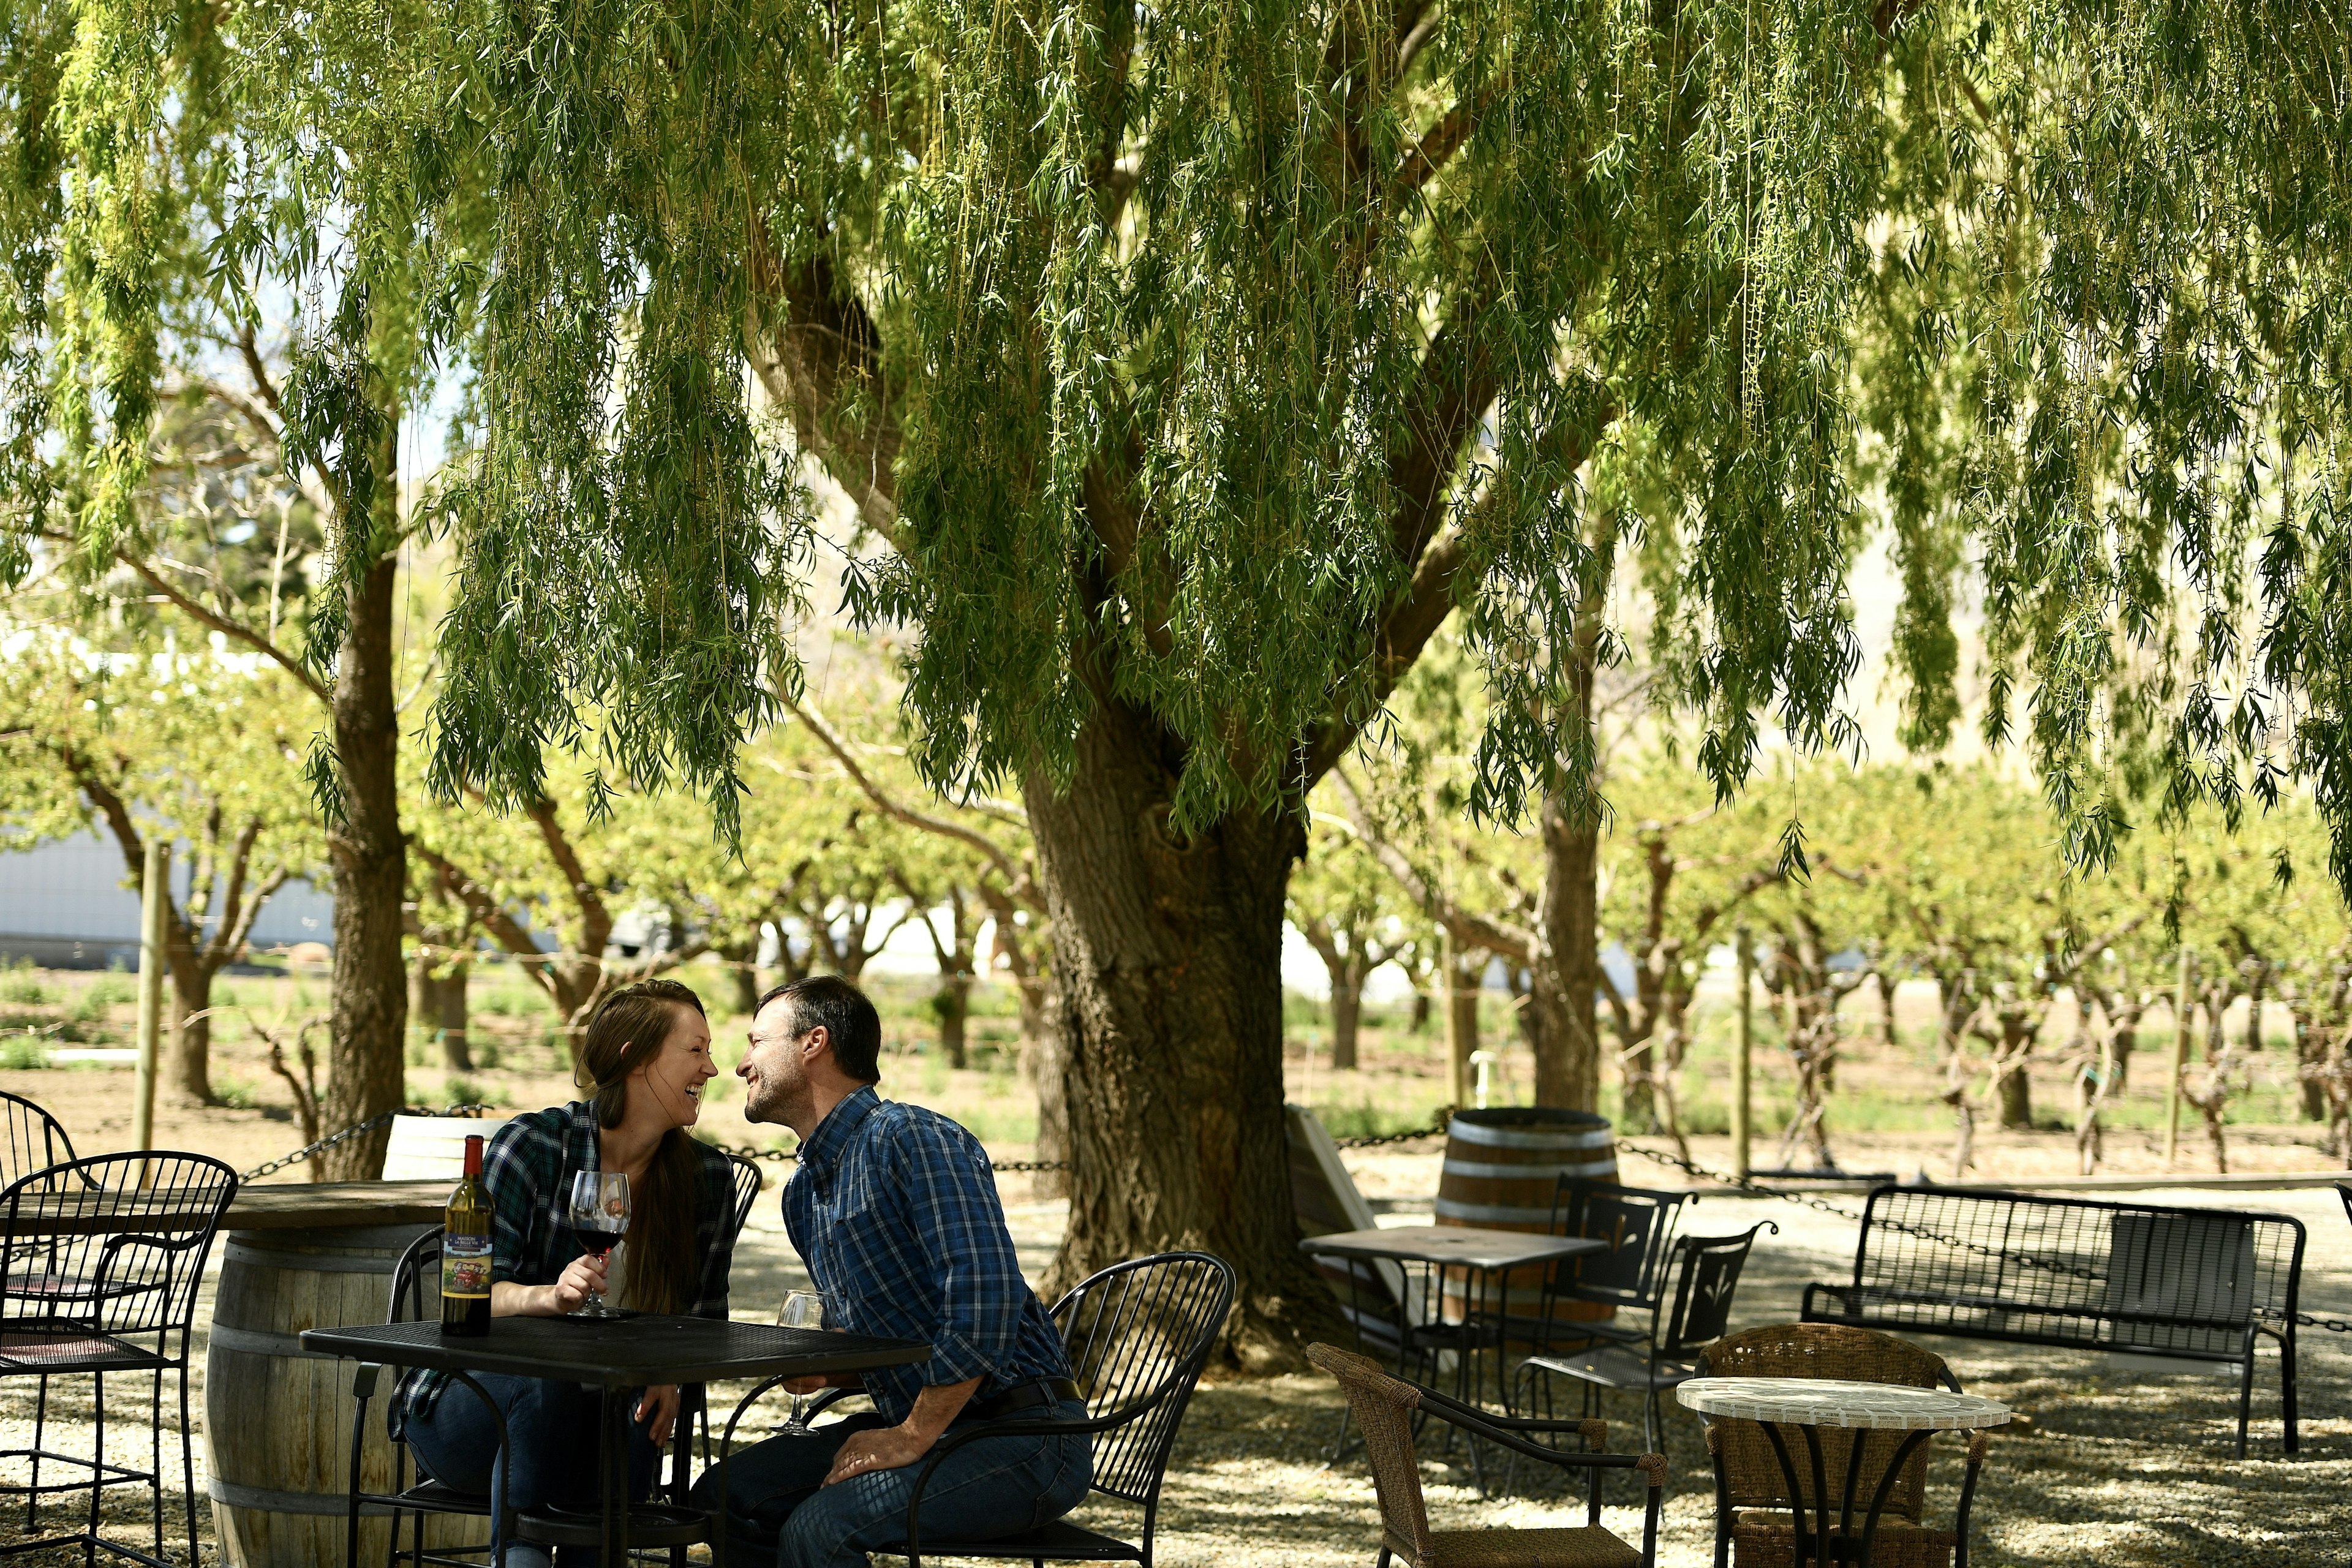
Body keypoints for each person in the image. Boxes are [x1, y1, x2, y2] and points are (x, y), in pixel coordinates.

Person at [693, 975, 1090, 1568]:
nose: (740, 1064)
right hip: (931, 1422)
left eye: (756, 1041)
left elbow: (984, 1302)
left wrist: (908, 1436)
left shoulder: (910, 1137)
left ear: (814, 1043)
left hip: (1024, 1436)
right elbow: (903, 1340)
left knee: (821, 1530)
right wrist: (838, 1372)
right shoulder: (803, 1194)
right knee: (721, 1496)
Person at [391, 978, 737, 1567]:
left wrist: (670, 1372)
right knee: (542, 1380)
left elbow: (706, 1323)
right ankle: (519, 1555)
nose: (711, 1068)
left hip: (597, 1423)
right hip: (474, 1413)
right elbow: (469, 1294)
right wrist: (547, 1297)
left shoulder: (704, 1177)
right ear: (635, 1057)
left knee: (632, 1412)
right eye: (695, 1050)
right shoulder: (534, 1146)